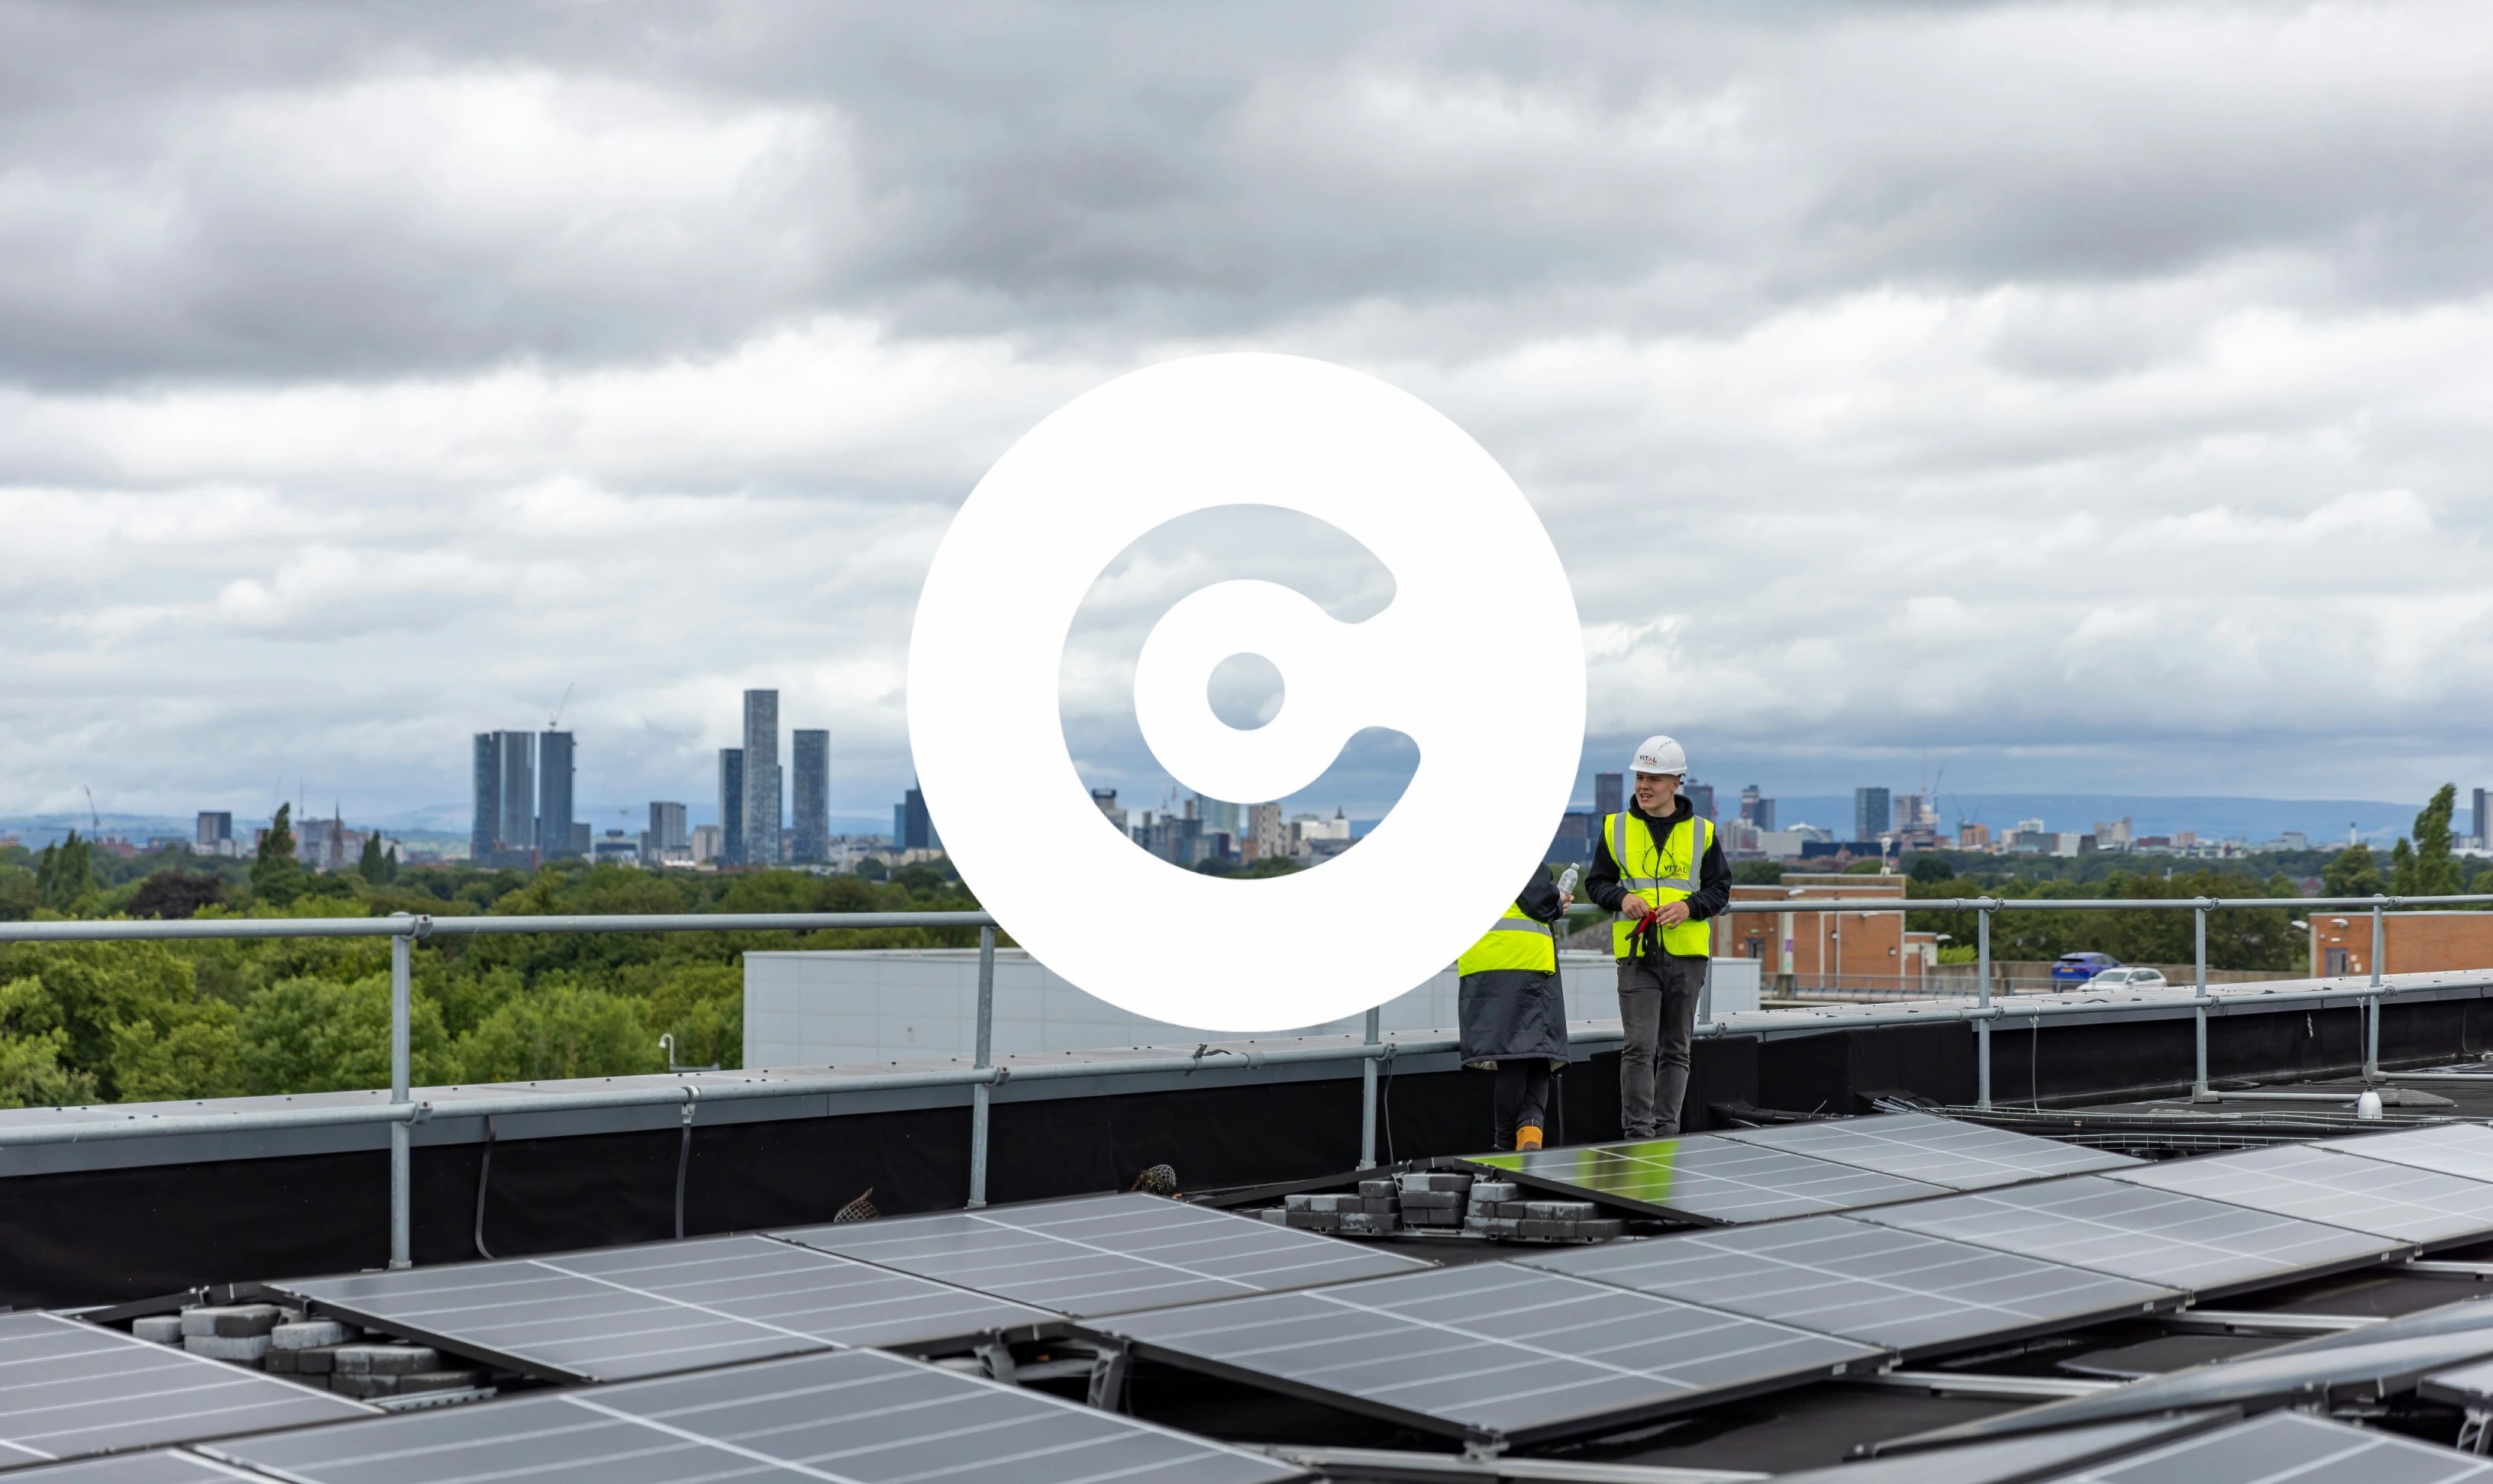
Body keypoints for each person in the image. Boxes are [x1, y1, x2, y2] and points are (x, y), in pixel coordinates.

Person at [1587, 734, 1729, 1139]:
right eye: (1640, 777)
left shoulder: (1703, 832)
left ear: (1676, 783)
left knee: (1676, 1050)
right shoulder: (1615, 828)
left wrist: (1689, 907)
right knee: (1639, 1047)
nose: (1644, 786)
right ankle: (1638, 1134)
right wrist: (1621, 896)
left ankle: (1667, 1133)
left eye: (1654, 778)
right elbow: (1596, 884)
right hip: (1637, 955)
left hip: (1687, 954)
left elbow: (1720, 889)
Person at [1456, 867, 1574, 1150]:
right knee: (1529, 1053)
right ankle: (1514, 1139)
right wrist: (1556, 901)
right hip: (1525, 962)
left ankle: (1522, 1137)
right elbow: (1538, 900)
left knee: (1522, 1053)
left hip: (1481, 964)